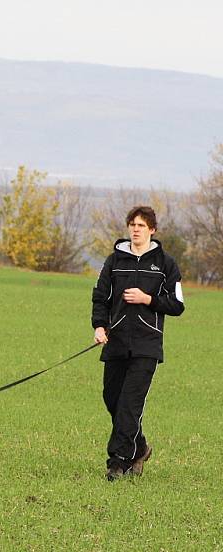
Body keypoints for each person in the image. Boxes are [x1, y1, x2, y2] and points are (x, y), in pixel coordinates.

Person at [91, 206, 184, 481]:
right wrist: (99, 326)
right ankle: (140, 447)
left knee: (130, 405)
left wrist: (148, 299)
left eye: (141, 225)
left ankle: (117, 463)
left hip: (146, 345)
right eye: (132, 224)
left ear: (152, 230)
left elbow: (177, 305)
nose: (136, 229)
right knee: (113, 400)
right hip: (116, 342)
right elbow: (100, 298)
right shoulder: (113, 261)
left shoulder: (165, 264)